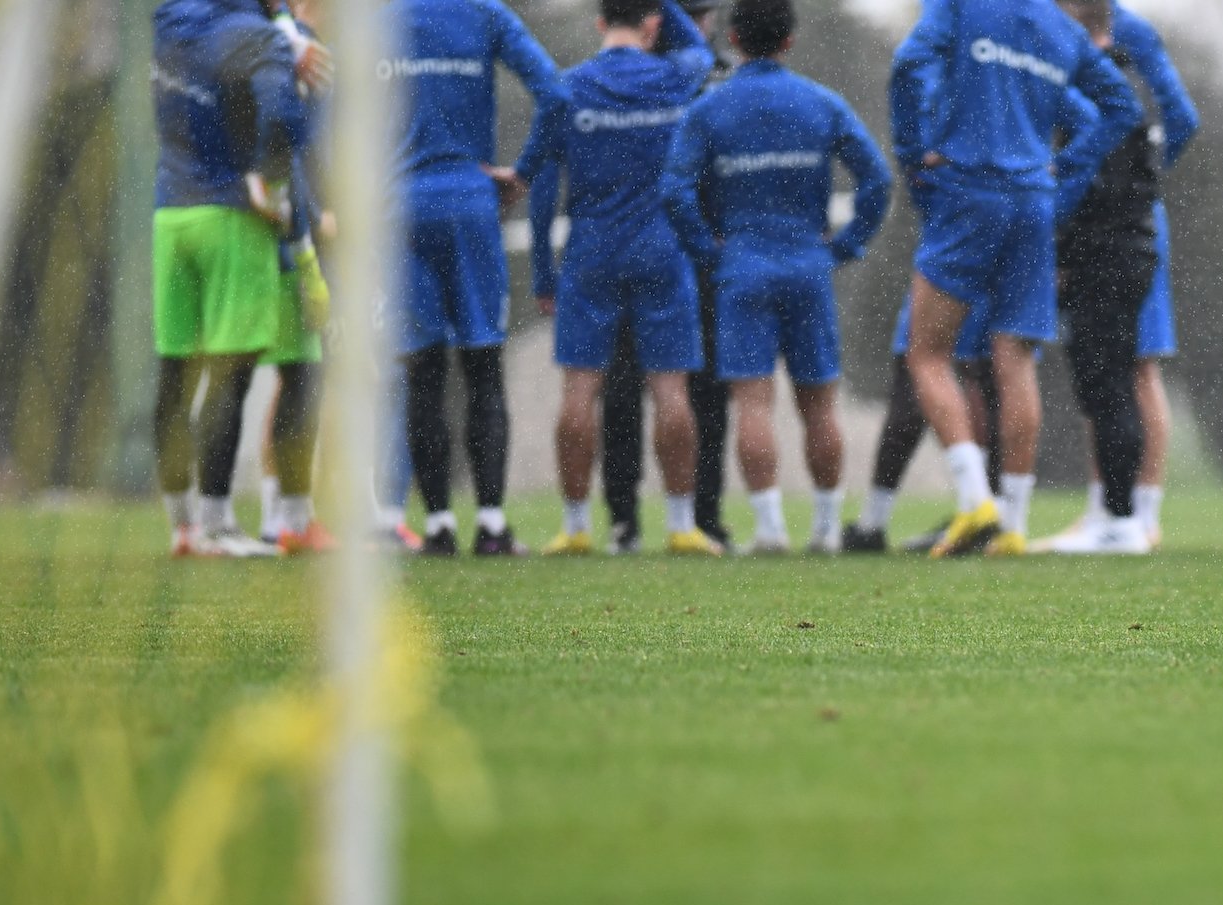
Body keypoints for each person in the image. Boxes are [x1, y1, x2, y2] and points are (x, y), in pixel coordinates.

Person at [889, 0, 1141, 558]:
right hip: (1032, 203)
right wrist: (1066, 165)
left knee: (927, 354)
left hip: (967, 188)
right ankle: (1012, 525)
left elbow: (908, 66)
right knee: (1016, 359)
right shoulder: (1062, 27)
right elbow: (1122, 108)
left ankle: (976, 499)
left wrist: (913, 155)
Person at [661, 0, 893, 555]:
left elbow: (674, 190)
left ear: (734, 38)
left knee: (753, 404)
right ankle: (827, 528)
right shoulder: (821, 102)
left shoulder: (711, 109)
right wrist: (847, 245)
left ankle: (768, 530)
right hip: (807, 266)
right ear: (789, 40)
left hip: (743, 267)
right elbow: (877, 179)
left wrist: (709, 251)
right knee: (819, 404)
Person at [516, 0, 722, 557]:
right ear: (652, 25)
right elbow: (701, 50)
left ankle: (576, 526)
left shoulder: (567, 88)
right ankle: (682, 525)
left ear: (600, 23)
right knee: (671, 389)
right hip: (662, 249)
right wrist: (665, 9)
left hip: (591, 253)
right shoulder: (676, 76)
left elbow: (540, 189)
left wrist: (541, 269)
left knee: (581, 389)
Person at [383, 0, 557, 557]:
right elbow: (556, 93)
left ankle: (436, 526)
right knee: (482, 367)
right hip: (469, 204)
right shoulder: (484, 13)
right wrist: (524, 172)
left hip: (400, 207)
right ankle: (491, 524)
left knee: (422, 372)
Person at [151, 0, 313, 558]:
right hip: (231, 213)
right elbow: (287, 117)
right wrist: (268, 182)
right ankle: (218, 523)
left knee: (174, 371)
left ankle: (182, 527)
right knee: (231, 376)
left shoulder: (170, 16)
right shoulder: (257, 38)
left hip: (171, 213)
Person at [1040, 0, 1198, 550]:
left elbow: (1179, 117)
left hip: (1115, 221)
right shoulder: (1074, 26)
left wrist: (1132, 180)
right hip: (1110, 218)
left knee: (1132, 366)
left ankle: (1137, 513)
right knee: (1107, 366)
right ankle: (1106, 510)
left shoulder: (1123, 31)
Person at [253, 0, 337, 554]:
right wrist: (318, 212)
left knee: (296, 378)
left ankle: (279, 512)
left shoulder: (288, 46)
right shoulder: (298, 54)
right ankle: (287, 516)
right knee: (301, 378)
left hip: (293, 229)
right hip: (294, 233)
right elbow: (293, 146)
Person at [841, 293, 999, 554]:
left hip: (951, 267)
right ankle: (995, 512)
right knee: (989, 371)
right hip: (1007, 270)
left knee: (920, 364)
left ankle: (874, 522)